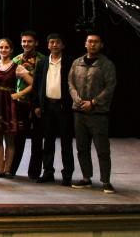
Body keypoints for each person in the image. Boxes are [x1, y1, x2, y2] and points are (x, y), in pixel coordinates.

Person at [69, 33, 117, 194]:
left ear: (101, 45)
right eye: (90, 41)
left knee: (102, 149)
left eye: (96, 42)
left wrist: (93, 102)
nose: (92, 44)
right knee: (82, 147)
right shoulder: (77, 63)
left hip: (98, 113)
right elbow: (70, 82)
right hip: (79, 111)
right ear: (85, 44)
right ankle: (86, 178)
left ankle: (106, 181)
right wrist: (77, 99)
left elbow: (110, 87)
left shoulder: (106, 64)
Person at [33, 33, 74, 186]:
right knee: (48, 141)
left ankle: (67, 174)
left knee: (66, 142)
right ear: (48, 45)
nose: (54, 45)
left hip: (63, 107)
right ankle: (48, 172)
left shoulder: (69, 62)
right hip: (47, 106)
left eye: (57, 42)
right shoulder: (42, 63)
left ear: (63, 45)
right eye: (52, 42)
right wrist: (37, 105)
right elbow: (36, 86)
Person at [9, 30, 45, 179]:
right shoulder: (16, 59)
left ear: (36, 43)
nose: (26, 44)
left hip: (37, 104)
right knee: (18, 138)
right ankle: (11, 169)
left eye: (29, 41)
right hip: (20, 104)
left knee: (37, 139)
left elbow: (40, 84)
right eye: (24, 41)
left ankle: (34, 172)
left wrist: (25, 74)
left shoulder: (43, 60)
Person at [0, 38, 25, 178]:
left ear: (11, 50)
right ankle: (0, 169)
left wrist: (19, 94)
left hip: (9, 105)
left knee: (9, 139)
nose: (3, 50)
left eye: (6, 47)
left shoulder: (17, 67)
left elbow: (33, 83)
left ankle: (8, 170)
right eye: (1, 47)